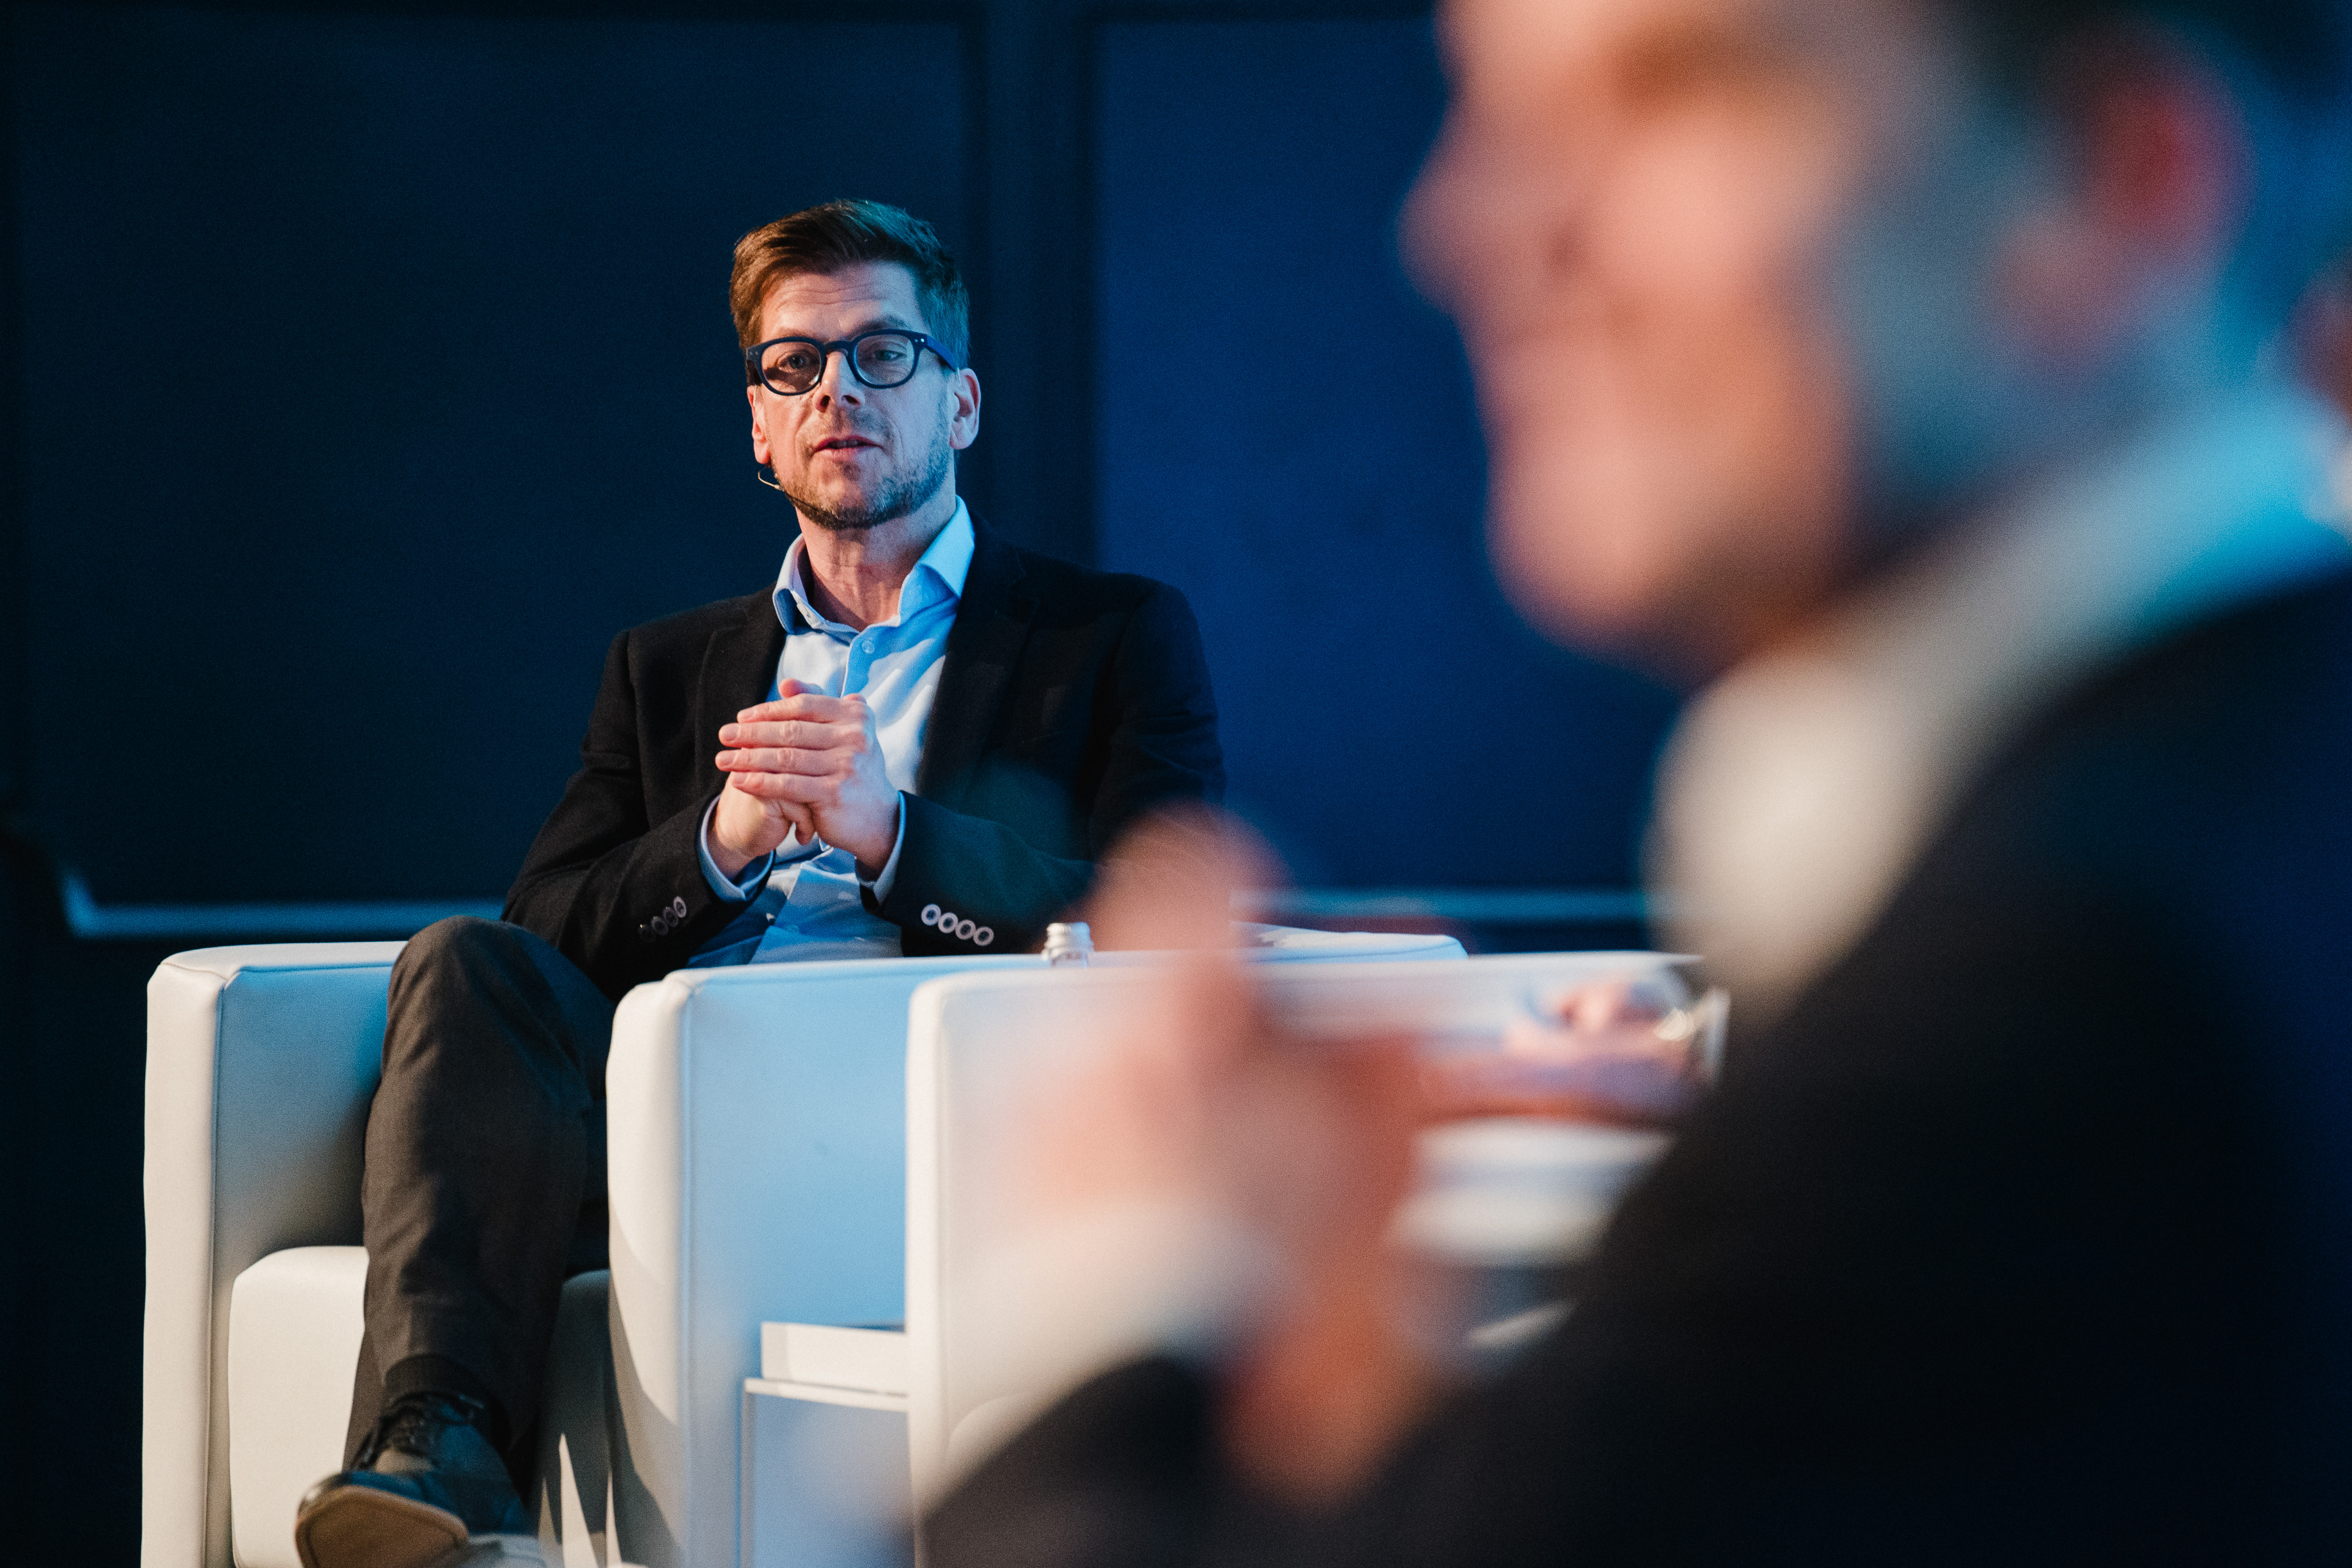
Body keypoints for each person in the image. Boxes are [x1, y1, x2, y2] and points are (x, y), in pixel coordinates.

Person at [923, 0, 2352, 1561]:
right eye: (1499, 118)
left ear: (2118, 178)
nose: (1467, 226)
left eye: (1673, 91)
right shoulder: (2233, 827)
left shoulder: (2064, 1006)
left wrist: (1118, 1273)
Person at [291, 199, 1222, 1568]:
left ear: (960, 404)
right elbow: (542, 931)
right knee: (460, 961)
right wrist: (718, 845)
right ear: (759, 426)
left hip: (910, 1117)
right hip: (662, 1107)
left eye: (882, 354)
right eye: (795, 365)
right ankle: (440, 1449)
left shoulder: (1109, 636)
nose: (838, 390)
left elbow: (1162, 918)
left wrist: (889, 835)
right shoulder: (665, 666)